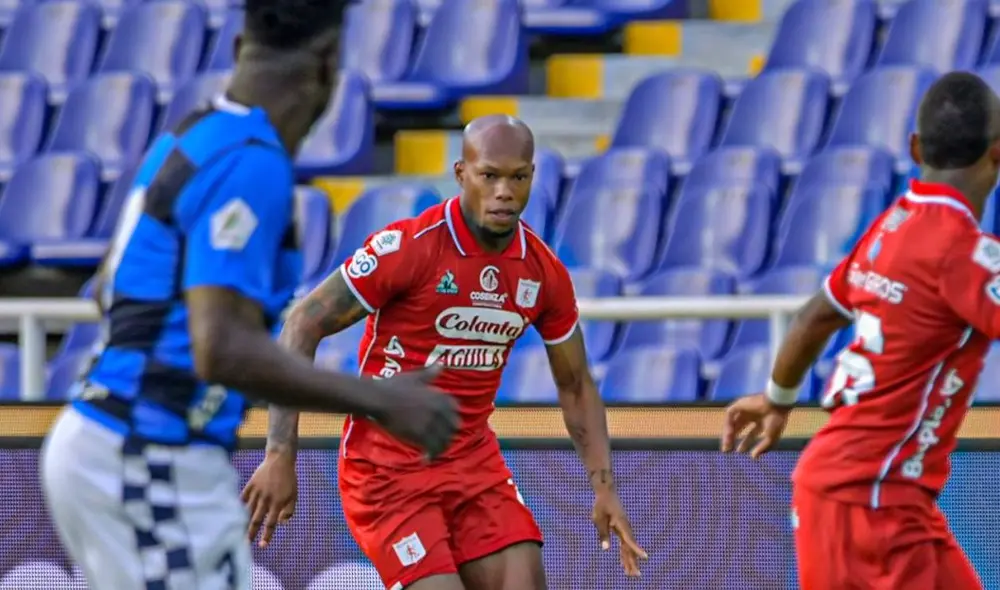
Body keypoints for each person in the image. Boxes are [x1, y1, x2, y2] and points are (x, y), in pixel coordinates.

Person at [39, 2, 459, 589]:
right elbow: (221, 347)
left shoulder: (192, 135)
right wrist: (380, 400)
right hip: (147, 452)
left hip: (131, 445)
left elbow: (108, 286)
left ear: (239, 48)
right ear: (328, 63)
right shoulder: (251, 165)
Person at [242, 115, 648, 589]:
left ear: (532, 178)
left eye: (517, 177)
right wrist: (279, 454)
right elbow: (302, 323)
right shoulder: (409, 248)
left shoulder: (543, 273)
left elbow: (576, 384)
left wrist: (603, 487)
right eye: (489, 175)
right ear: (461, 175)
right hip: (386, 472)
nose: (504, 191)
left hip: (474, 466)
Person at [720, 71, 995, 590]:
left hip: (875, 495)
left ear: (915, 148)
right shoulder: (964, 252)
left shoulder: (891, 226)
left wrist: (777, 400)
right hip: (873, 501)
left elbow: (816, 315)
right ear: (997, 155)